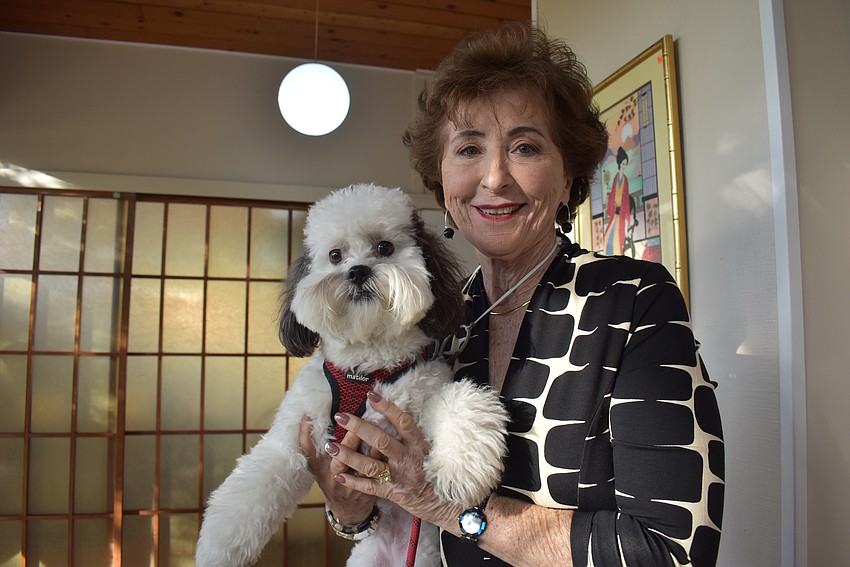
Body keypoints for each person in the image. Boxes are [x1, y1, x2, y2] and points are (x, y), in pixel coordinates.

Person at [299, 21, 724, 566]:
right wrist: (349, 506)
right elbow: (387, 509)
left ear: (569, 176)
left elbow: (674, 552)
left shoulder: (632, 300)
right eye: (469, 147)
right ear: (442, 180)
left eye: (524, 146)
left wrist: (446, 506)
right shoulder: (434, 319)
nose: (495, 178)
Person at [603, 146, 633, 255]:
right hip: (615, 213)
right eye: (623, 164)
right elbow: (613, 193)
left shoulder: (625, 180)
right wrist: (608, 195)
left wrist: (626, 219)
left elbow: (626, 200)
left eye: (626, 164)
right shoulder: (616, 177)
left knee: (618, 238)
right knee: (608, 236)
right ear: (620, 164)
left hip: (621, 214)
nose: (624, 166)